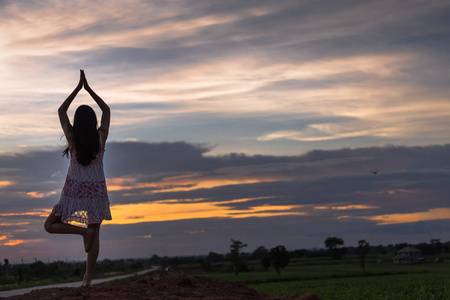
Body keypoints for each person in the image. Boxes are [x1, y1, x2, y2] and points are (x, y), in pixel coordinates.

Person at [44, 70, 112, 288]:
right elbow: (107, 110)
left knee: (49, 225)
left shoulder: (72, 139)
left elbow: (61, 110)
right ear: (92, 121)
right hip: (96, 192)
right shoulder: (101, 137)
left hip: (74, 192)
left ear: (77, 122)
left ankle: (83, 232)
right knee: (97, 231)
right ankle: (87, 279)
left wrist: (78, 88)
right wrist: (88, 88)